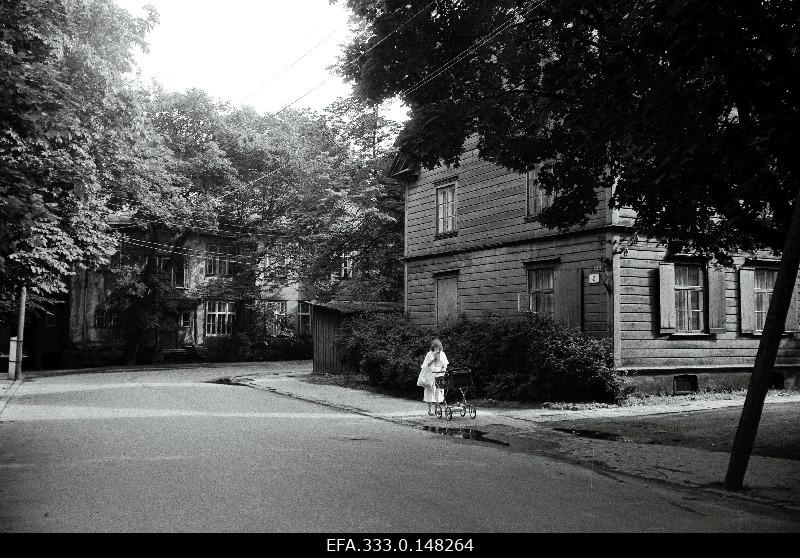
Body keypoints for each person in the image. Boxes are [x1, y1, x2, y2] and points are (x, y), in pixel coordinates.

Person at [420, 338, 449, 415]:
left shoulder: (443, 354)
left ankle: (437, 408)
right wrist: (434, 360)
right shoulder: (429, 354)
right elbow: (426, 365)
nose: (437, 348)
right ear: (433, 347)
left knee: (439, 392)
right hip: (431, 375)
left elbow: (445, 365)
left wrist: (443, 370)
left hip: (440, 374)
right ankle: (430, 409)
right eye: (436, 347)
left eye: (438, 347)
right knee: (429, 391)